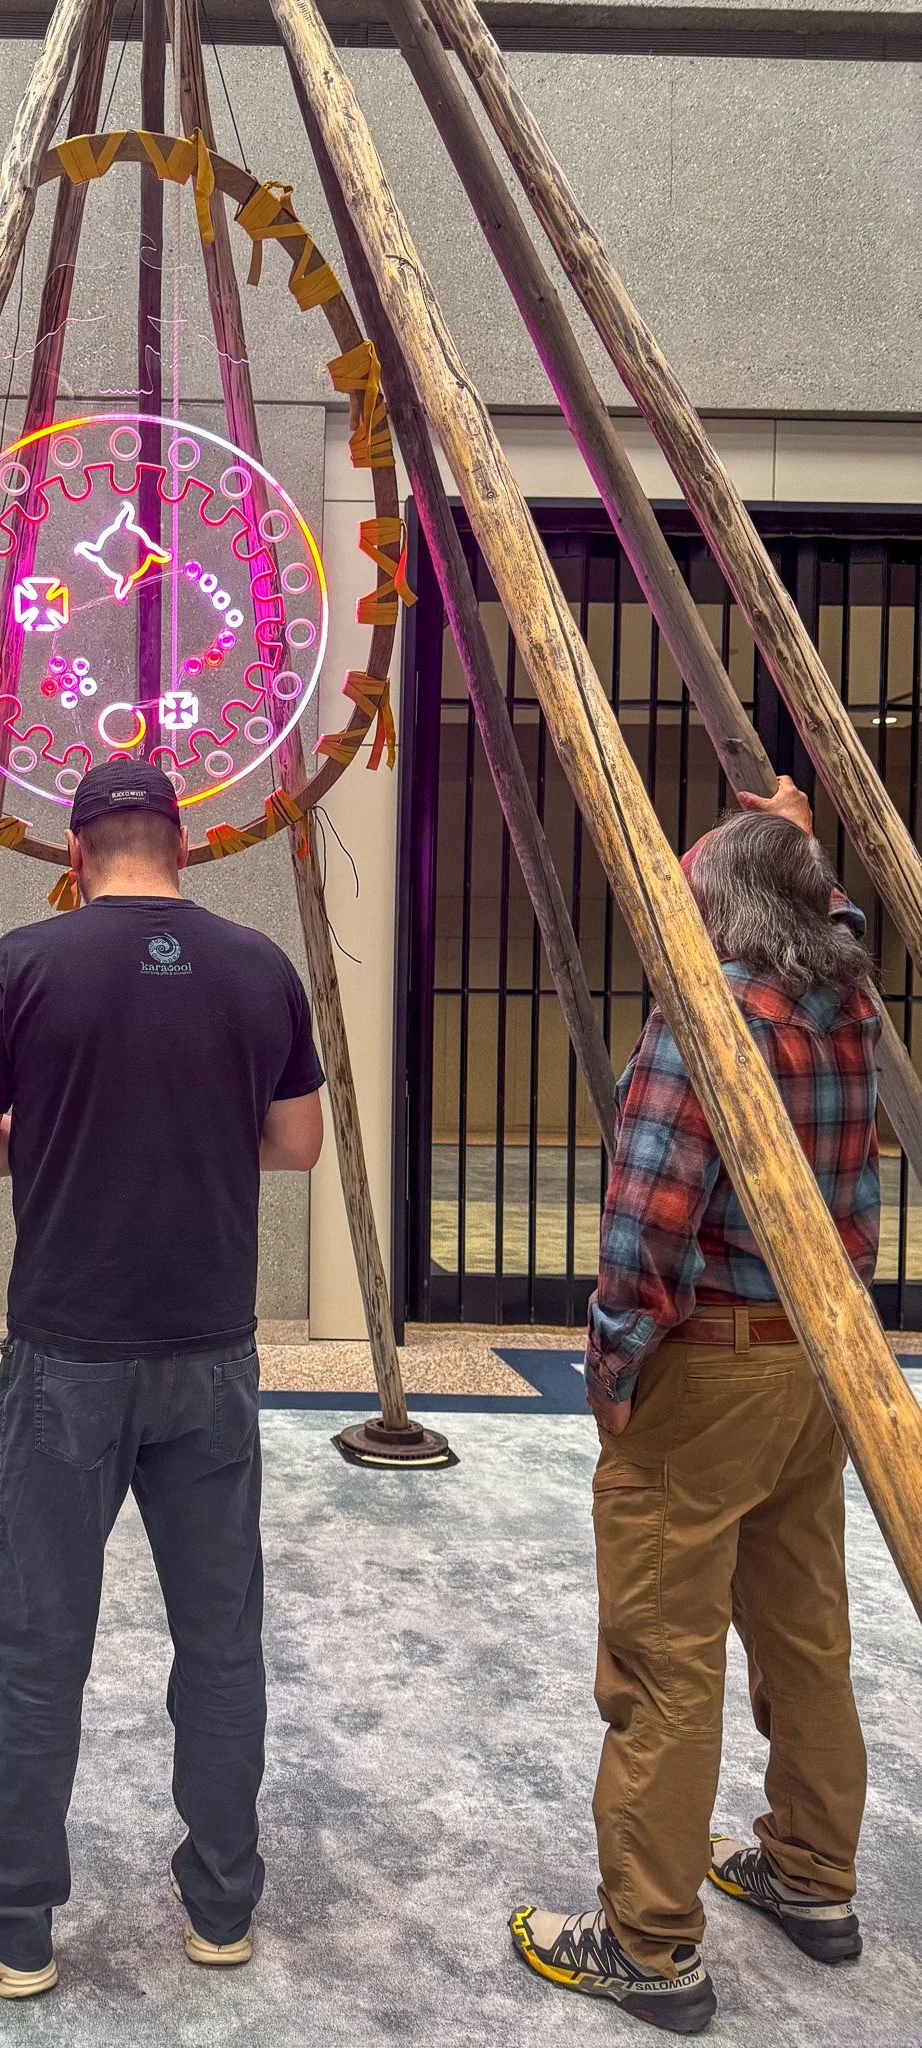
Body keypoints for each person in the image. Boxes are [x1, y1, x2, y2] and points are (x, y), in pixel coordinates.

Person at [0, 759, 325, 1998]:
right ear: (185, 842)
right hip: (211, 1347)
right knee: (220, 1638)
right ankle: (219, 1902)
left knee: (43, 1641)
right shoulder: (260, 965)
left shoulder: (25, 965)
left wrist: (66, 1137)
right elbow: (299, 1144)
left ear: (76, 844)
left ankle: (16, 1924)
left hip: (68, 1352)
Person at [512, 784, 877, 2035]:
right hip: (818, 1360)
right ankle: (814, 1873)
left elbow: (645, 1229)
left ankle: (650, 1940)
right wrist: (795, 834)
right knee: (805, 1632)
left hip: (708, 1358)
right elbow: (839, 913)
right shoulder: (845, 1002)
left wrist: (613, 1378)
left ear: (722, 902)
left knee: (663, 1659)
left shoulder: (705, 1020)